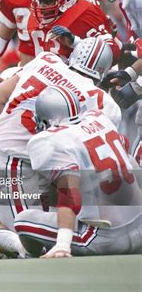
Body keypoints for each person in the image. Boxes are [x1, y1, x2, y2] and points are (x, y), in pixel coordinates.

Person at [0, 38, 120, 262]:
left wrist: (17, 133)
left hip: (2, 151)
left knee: (37, 233)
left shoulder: (47, 60)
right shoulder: (102, 101)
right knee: (32, 247)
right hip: (14, 163)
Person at [14, 86, 141, 257]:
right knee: (130, 162)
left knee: (23, 219)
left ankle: (31, 255)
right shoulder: (98, 117)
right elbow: (123, 148)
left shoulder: (48, 140)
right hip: (139, 224)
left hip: (104, 237)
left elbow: (69, 194)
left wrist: (62, 245)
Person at [0, 0, 100, 66]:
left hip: (70, 71)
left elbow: (97, 44)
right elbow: (2, 34)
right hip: (27, 71)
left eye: (47, 1)